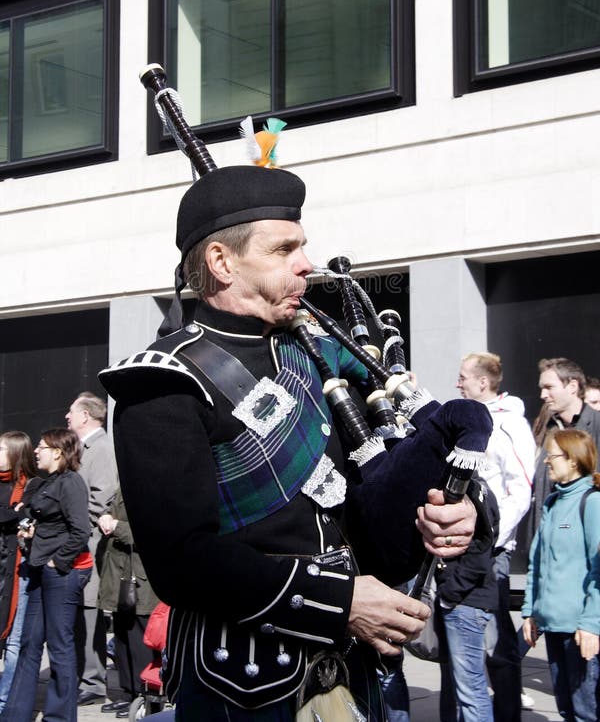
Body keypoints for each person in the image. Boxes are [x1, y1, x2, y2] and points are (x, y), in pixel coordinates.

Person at [100, 164, 482, 721]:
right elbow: (182, 562)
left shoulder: (319, 357)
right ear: (221, 262)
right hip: (243, 687)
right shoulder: (162, 381)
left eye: (302, 247)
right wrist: (341, 601)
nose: (306, 263)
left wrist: (445, 517)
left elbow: (367, 501)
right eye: (283, 249)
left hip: (352, 669)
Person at [456, 351, 535, 722]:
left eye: (463, 377)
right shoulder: (463, 416)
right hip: (458, 549)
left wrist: (490, 538)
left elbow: (521, 490)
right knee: (458, 646)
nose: (458, 383)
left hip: (492, 553)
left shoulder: (511, 425)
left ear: (483, 382)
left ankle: (506, 714)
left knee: (497, 645)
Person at [0, 428, 92, 722]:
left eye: (41, 447)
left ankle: (60, 717)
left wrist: (58, 561)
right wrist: (29, 535)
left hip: (62, 574)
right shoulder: (47, 484)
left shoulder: (72, 483)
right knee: (29, 642)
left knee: (59, 645)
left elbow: (81, 531)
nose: (36, 451)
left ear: (58, 452)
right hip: (41, 569)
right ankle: (15, 714)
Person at [522, 428, 600, 722]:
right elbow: (537, 563)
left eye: (552, 455)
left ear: (573, 461)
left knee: (586, 713)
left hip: (581, 632)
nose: (546, 462)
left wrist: (592, 624)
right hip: (553, 627)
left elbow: (599, 570)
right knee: (567, 709)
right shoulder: (552, 504)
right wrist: (530, 611)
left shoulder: (592, 503)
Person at [66, 390, 118, 706]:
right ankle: (85, 676)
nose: (67, 417)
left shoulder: (101, 449)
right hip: (80, 543)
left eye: (71, 412)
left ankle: (93, 681)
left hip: (89, 544)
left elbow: (101, 500)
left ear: (86, 416)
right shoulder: (86, 448)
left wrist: (71, 525)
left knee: (89, 612)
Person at [438, 481, 500, 722]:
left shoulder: (473, 492)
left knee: (471, 691)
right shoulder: (478, 490)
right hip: (466, 601)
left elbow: (480, 553)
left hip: (466, 603)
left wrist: (449, 594)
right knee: (468, 688)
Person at [98, 487, 159, 717]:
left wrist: (117, 527)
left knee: (140, 639)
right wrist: (105, 517)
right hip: (120, 575)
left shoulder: (155, 487)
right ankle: (128, 691)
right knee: (123, 636)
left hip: (140, 577)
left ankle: (144, 696)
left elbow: (153, 531)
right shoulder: (125, 484)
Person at [0, 432, 41, 712]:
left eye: (1, 448)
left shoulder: (30, 486)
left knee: (14, 640)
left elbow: (23, 514)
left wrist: (16, 513)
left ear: (15, 453)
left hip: (18, 570)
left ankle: (5, 703)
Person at [538, 358, 600, 453]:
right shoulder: (549, 427)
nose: (543, 395)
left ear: (573, 387)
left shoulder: (596, 425)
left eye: (549, 387)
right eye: (542, 388)